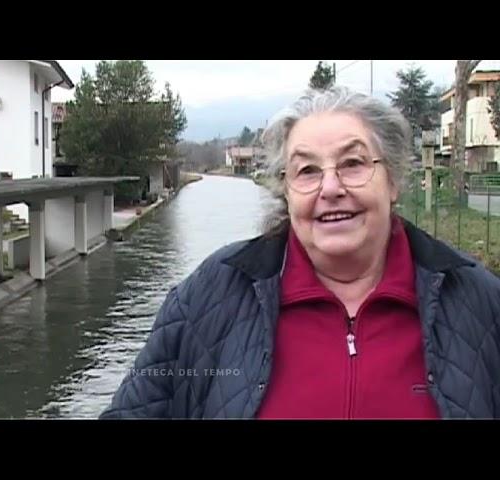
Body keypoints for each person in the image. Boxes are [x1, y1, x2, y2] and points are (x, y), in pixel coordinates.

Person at [99, 86, 500, 419]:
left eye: (353, 163)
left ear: (392, 180)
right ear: (286, 190)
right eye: (307, 171)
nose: (330, 189)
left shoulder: (478, 302)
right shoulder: (210, 295)